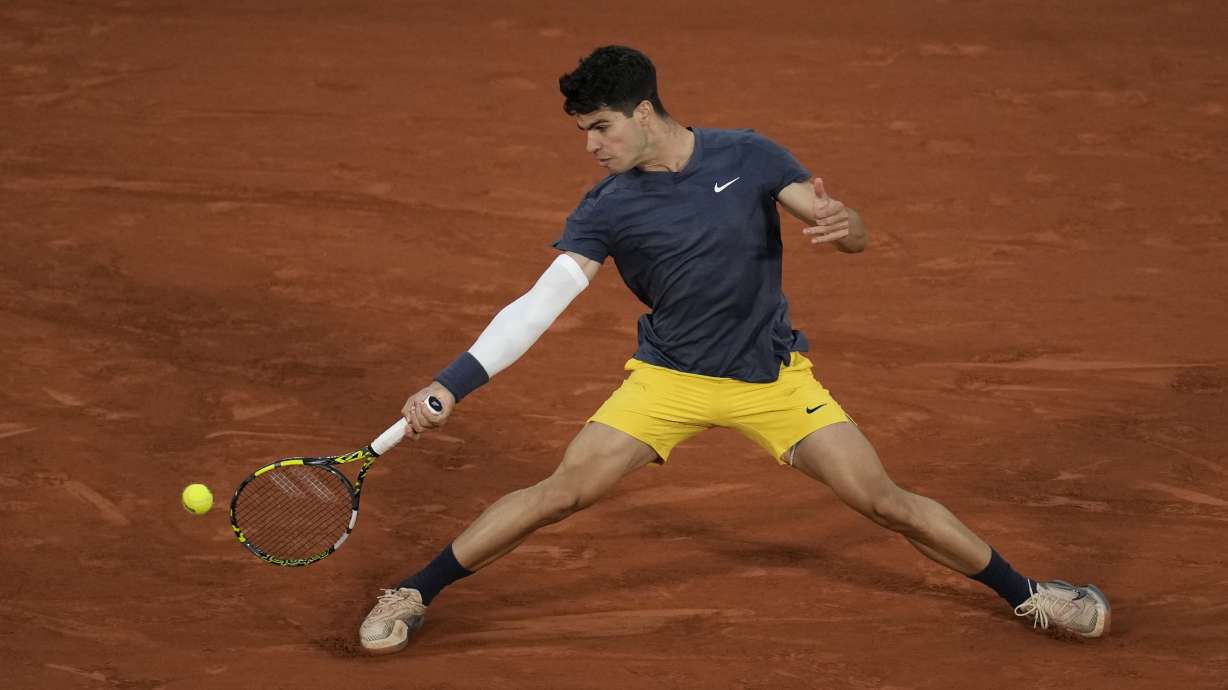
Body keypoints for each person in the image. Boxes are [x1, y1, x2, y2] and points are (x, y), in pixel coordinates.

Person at [357, 45, 1110, 654]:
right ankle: (413, 591)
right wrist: (452, 382)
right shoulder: (607, 207)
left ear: (644, 112)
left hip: (771, 380)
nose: (590, 146)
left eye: (601, 128)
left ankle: (1032, 595)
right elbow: (539, 303)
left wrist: (847, 226)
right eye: (583, 131)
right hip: (668, 381)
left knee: (886, 502)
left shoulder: (748, 155)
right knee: (560, 493)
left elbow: (843, 227)